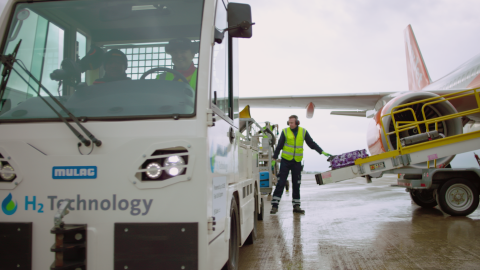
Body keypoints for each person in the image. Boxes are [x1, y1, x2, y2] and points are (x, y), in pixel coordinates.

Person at [270, 115, 332, 215]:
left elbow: (311, 144)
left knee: (296, 183)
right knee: (281, 182)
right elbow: (279, 146)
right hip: (285, 161)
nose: (290, 124)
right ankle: (275, 205)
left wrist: (322, 152)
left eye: (292, 123)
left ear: (297, 122)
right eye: (289, 122)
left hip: (297, 162)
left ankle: (296, 206)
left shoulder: (303, 132)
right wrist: (274, 158)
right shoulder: (285, 131)